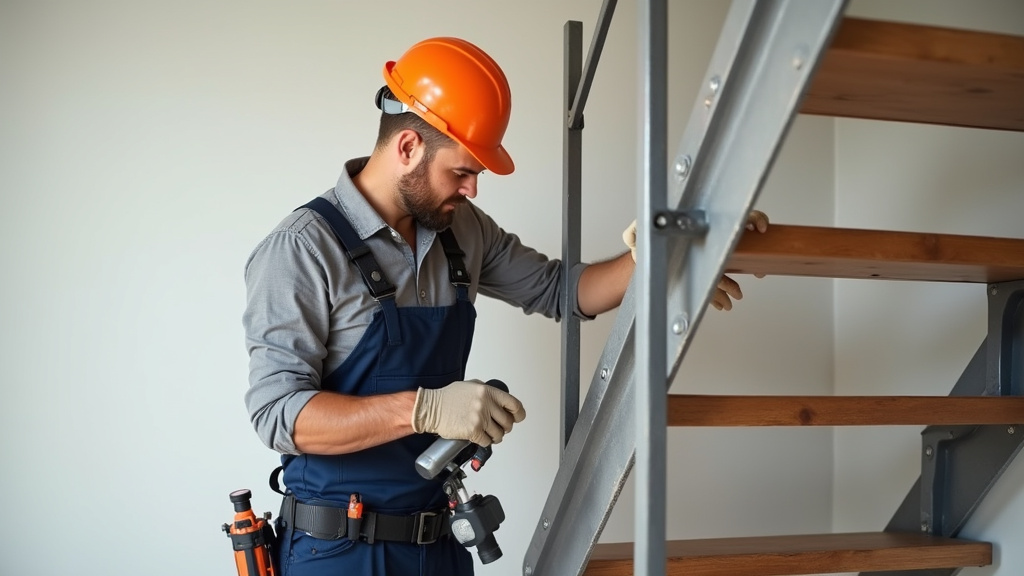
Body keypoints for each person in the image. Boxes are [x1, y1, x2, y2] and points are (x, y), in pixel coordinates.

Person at [242, 36, 767, 576]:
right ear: (407, 147)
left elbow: (561, 290)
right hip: (337, 552)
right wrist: (424, 408)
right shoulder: (302, 249)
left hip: (438, 543)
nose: (472, 189)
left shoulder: (462, 230)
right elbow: (278, 415)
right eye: (462, 171)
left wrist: (662, 254)